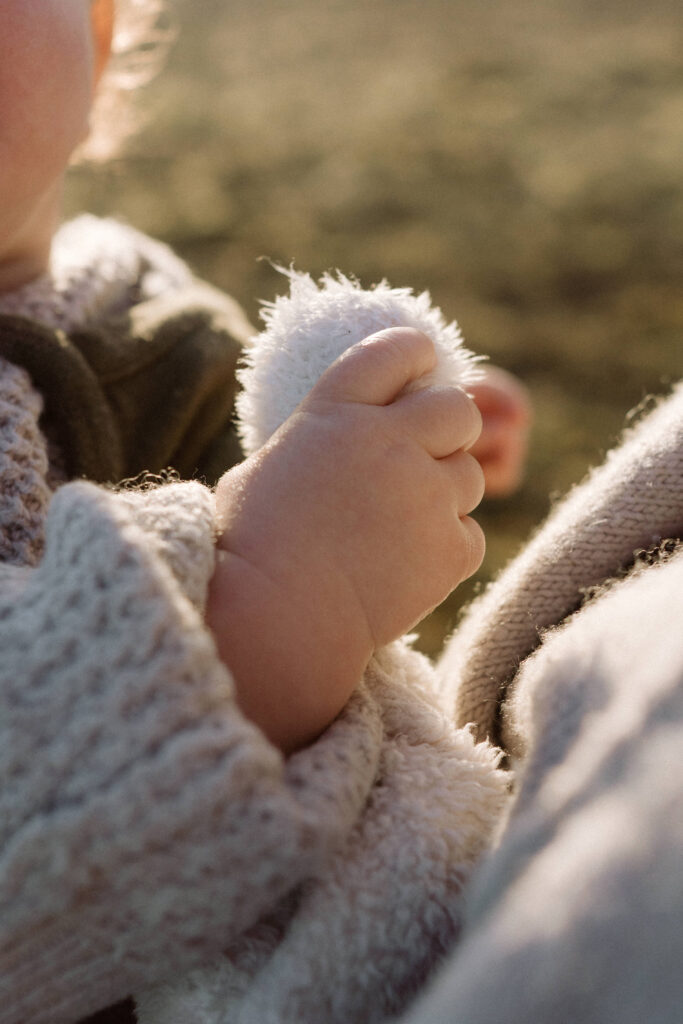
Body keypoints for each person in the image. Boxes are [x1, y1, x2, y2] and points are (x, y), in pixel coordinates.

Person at [0, 2, 530, 1022]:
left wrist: (397, 439)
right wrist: (273, 600)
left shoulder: (153, 316)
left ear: (100, 35)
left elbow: (271, 468)